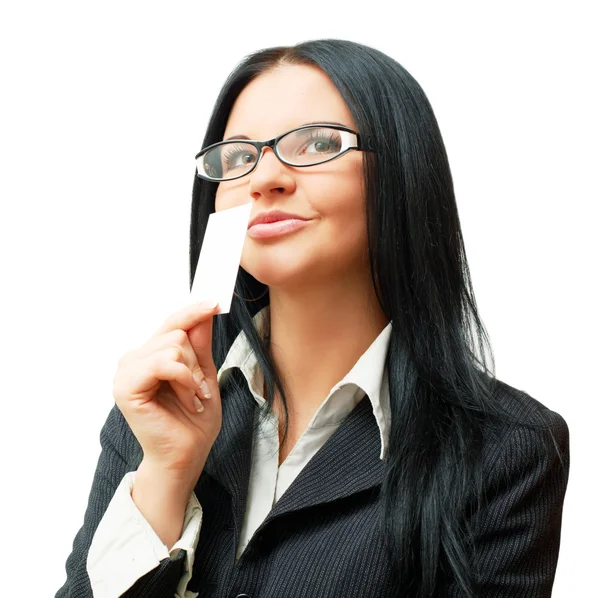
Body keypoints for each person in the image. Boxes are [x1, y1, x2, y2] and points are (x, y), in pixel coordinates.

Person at [55, 39, 570, 598]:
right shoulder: (157, 407)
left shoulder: (506, 450)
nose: (262, 179)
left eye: (318, 143)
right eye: (237, 157)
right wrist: (167, 475)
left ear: (402, 173)